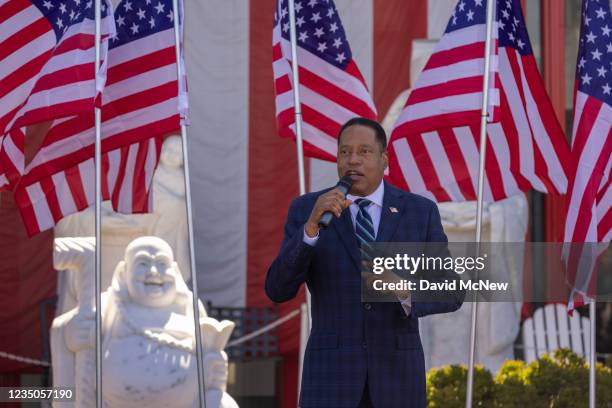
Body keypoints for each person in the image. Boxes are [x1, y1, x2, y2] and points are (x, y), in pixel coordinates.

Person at [265, 117, 464, 408]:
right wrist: (309, 231)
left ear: (384, 159)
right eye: (345, 152)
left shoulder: (419, 212)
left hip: (397, 380)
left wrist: (404, 291)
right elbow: (277, 288)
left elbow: (451, 291)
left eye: (364, 152)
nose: (353, 160)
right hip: (331, 380)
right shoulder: (307, 210)